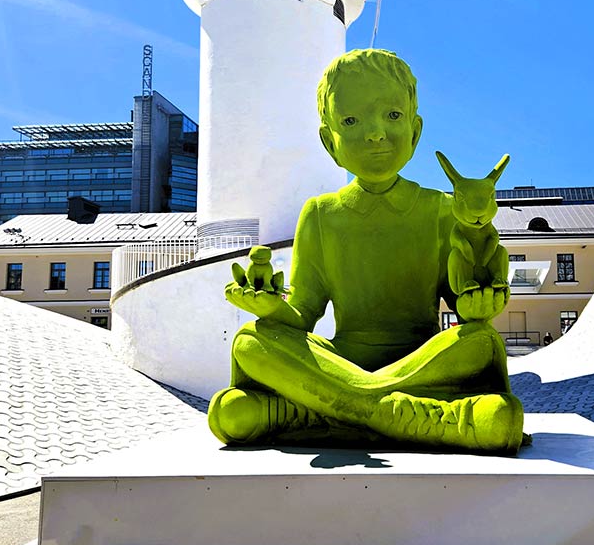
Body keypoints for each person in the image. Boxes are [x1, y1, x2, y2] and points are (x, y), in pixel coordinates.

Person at [207, 49, 524, 454]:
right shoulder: (320, 214)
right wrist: (270, 308)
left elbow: (463, 307)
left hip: (422, 362)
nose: (374, 134)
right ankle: (400, 416)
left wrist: (478, 304)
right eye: (351, 121)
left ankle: (323, 412)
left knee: (477, 341)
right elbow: (302, 314)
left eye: (392, 116)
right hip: (341, 360)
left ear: (415, 131)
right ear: (329, 141)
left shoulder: (442, 209)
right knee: (251, 339)